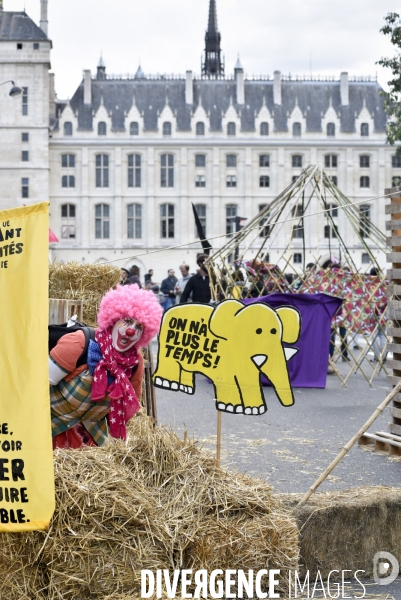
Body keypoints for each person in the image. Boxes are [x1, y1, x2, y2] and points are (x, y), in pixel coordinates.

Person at [49, 285, 162, 449]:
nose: (131, 331)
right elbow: (38, 386)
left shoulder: (135, 362)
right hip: (52, 433)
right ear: (114, 319)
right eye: (128, 322)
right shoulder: (80, 342)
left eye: (139, 327)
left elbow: (129, 404)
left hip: (91, 443)